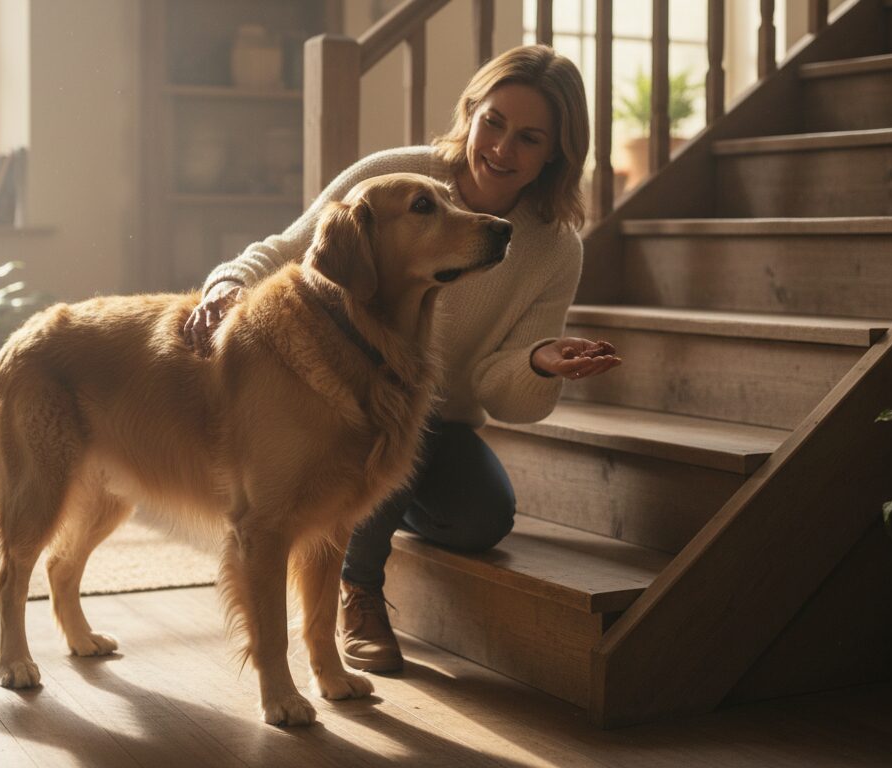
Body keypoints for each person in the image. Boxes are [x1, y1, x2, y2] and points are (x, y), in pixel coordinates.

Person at [185, 44, 621, 673]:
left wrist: (537, 361)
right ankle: (358, 588)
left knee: (482, 516)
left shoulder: (553, 249)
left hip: (437, 417)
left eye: (528, 138)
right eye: (492, 122)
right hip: (343, 401)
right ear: (470, 113)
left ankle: (372, 502)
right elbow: (291, 247)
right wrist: (227, 283)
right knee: (375, 433)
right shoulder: (397, 175)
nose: (501, 149)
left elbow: (494, 388)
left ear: (554, 152)